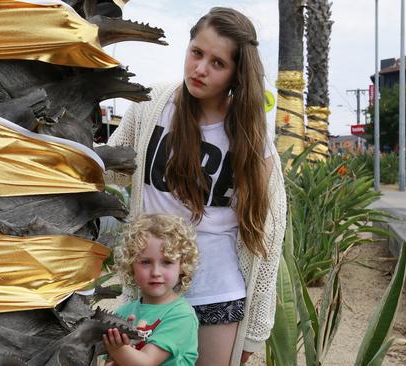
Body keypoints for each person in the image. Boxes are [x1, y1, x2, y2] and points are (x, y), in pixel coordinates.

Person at [106, 7, 287, 366]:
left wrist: (254, 330)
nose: (200, 69)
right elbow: (108, 171)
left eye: (218, 63)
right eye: (197, 53)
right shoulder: (151, 107)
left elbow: (267, 236)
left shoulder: (251, 139)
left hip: (218, 296)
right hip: (152, 288)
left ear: (237, 73)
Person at [102, 213, 200, 366]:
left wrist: (117, 351)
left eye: (167, 262)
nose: (156, 272)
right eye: (146, 262)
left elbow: (147, 362)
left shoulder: (181, 316)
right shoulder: (123, 313)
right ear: (131, 266)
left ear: (182, 266)